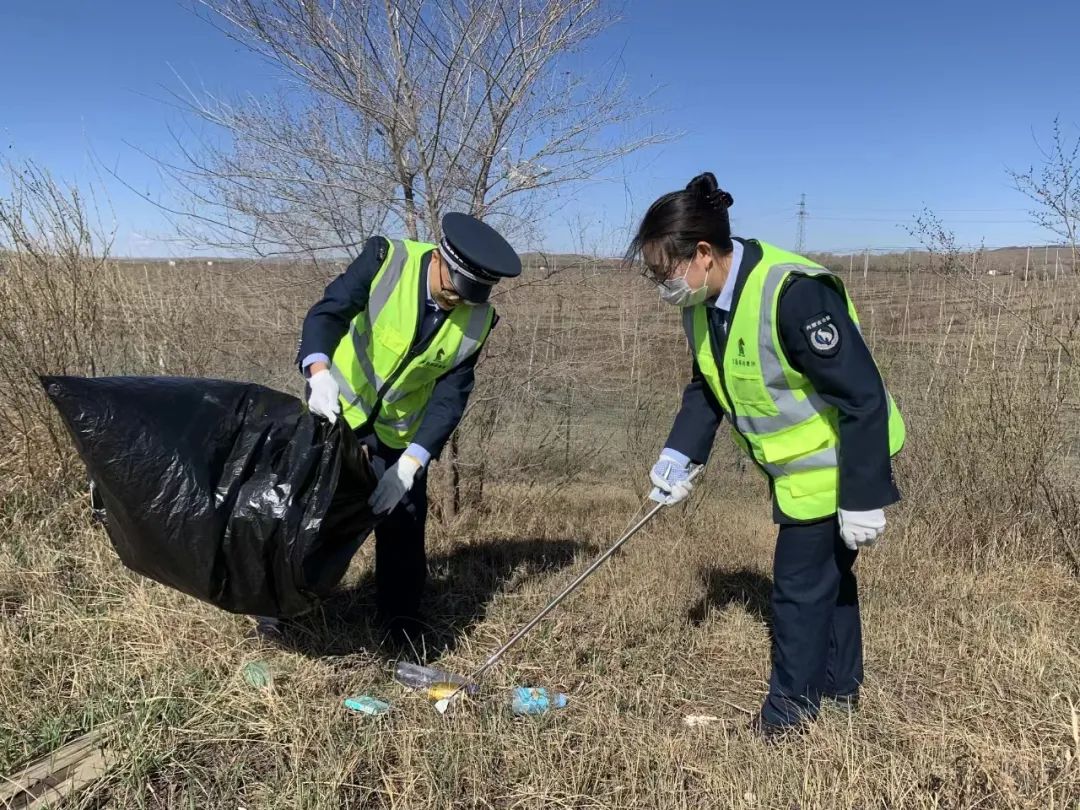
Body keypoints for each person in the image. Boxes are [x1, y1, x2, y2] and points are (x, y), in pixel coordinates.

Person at [627, 172, 905, 739]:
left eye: (664, 270)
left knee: (798, 589)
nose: (661, 284)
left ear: (703, 254)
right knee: (830, 577)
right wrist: (681, 454)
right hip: (796, 469)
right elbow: (708, 385)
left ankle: (788, 716)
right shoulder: (703, 302)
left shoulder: (793, 293)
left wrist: (863, 495)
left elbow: (863, 395)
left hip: (839, 459)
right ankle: (840, 687)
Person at [286, 212, 521, 640]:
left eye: (471, 296)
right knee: (313, 508)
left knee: (405, 518)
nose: (459, 302)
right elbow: (328, 313)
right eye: (453, 290)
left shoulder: (478, 320)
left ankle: (401, 622)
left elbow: (452, 396)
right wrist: (318, 372)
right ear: (438, 259)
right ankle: (285, 604)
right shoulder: (385, 259)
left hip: (400, 432)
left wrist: (413, 461)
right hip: (337, 409)